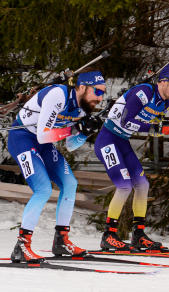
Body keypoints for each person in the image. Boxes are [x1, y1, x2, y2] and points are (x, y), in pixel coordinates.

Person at [8, 69, 105, 262]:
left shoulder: (84, 106)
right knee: (43, 190)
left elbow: (70, 146)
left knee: (70, 184)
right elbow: (42, 135)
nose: (100, 98)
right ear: (83, 87)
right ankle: (21, 246)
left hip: (44, 143)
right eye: (98, 92)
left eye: (103, 92)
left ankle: (61, 240)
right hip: (23, 139)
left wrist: (85, 133)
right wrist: (75, 128)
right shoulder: (58, 95)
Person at [94, 64, 169, 251]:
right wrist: (155, 128)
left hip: (123, 142)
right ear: (164, 82)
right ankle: (108, 235)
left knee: (143, 185)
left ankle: (138, 235)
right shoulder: (143, 92)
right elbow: (127, 121)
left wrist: (164, 126)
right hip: (107, 140)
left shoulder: (164, 102)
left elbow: (153, 126)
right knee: (124, 185)